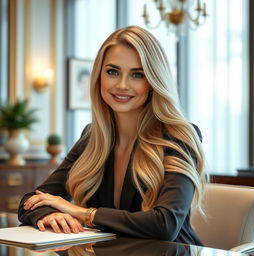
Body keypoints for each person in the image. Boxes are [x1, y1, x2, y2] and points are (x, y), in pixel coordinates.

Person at [18, 26, 206, 245]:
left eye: (137, 74)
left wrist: (81, 212)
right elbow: (30, 201)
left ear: (154, 83)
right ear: (99, 77)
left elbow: (165, 225)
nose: (122, 85)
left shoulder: (178, 136)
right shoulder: (91, 137)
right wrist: (49, 214)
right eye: (113, 72)